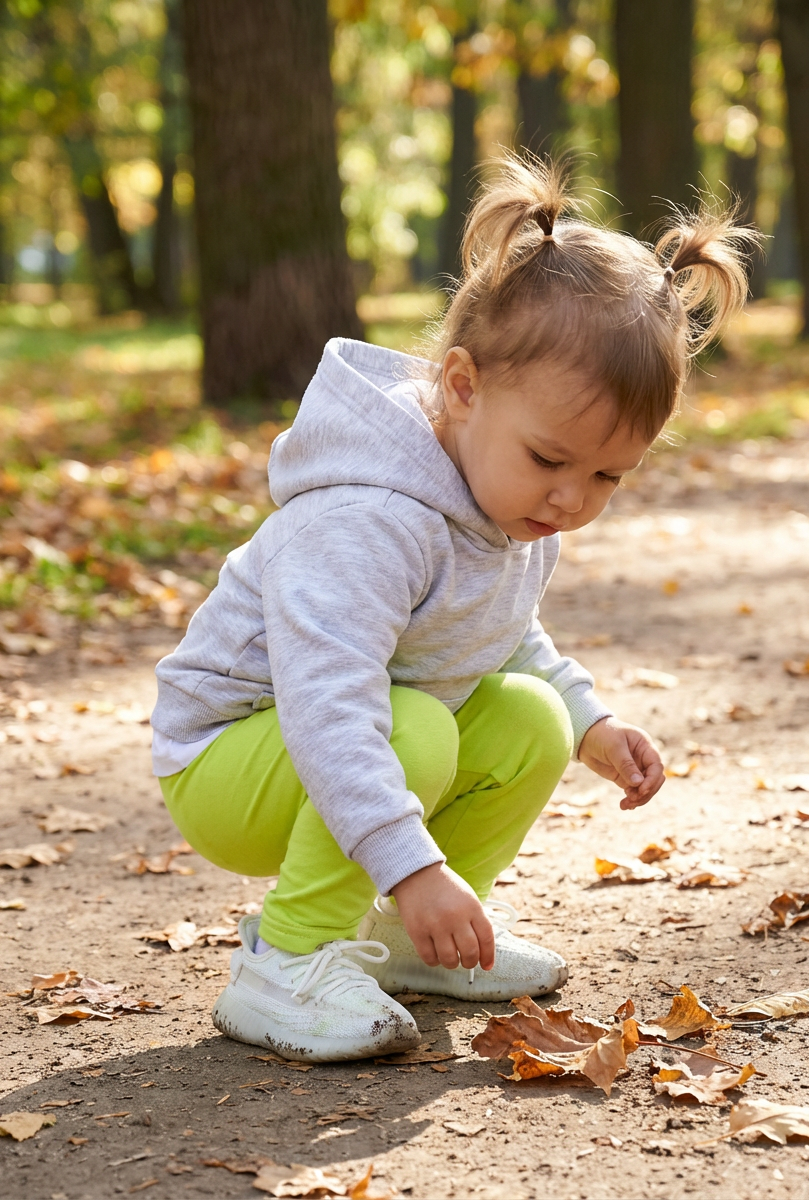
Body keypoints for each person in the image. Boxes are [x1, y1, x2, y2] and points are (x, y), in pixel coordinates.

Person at [150, 157, 755, 1062]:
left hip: (350, 737)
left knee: (529, 719)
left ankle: (404, 940)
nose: (570, 499)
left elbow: (501, 632)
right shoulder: (367, 517)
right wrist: (412, 862)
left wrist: (591, 721)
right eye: (551, 459)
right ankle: (288, 958)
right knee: (418, 730)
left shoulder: (505, 498)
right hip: (233, 757)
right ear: (464, 386)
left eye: (607, 476)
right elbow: (329, 701)